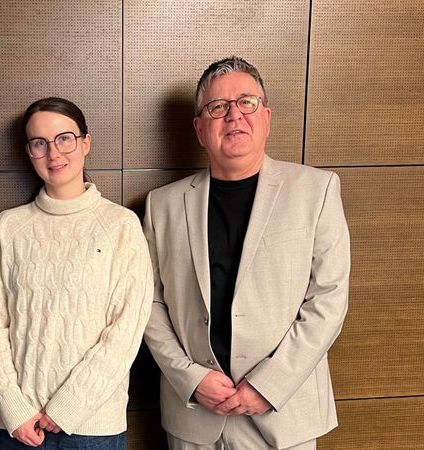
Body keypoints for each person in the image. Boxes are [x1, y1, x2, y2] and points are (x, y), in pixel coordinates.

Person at [143, 56, 350, 450]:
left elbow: (329, 298)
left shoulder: (316, 191)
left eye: (246, 102)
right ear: (200, 129)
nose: (233, 115)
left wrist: (268, 385)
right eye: (217, 107)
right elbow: (149, 304)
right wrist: (190, 378)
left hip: (280, 415)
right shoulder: (161, 205)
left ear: (266, 117)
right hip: (195, 415)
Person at [0, 97, 153, 449]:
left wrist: (69, 406)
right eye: (39, 143)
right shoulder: (8, 227)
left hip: (93, 427)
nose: (53, 154)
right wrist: (14, 408)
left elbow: (126, 328)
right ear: (28, 152)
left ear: (86, 142)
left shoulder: (120, 225)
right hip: (18, 428)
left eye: (64, 138)